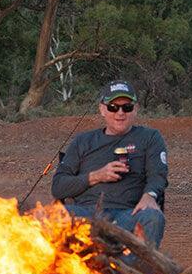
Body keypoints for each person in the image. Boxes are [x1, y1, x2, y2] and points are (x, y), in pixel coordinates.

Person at [51, 80, 167, 247]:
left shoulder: (149, 138)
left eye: (126, 107)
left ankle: (134, 272)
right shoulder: (83, 142)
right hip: (86, 214)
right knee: (54, 217)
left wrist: (150, 195)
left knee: (153, 217)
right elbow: (58, 187)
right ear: (102, 109)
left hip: (129, 213)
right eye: (113, 107)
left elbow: (158, 175)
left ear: (136, 109)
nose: (120, 113)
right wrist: (96, 176)